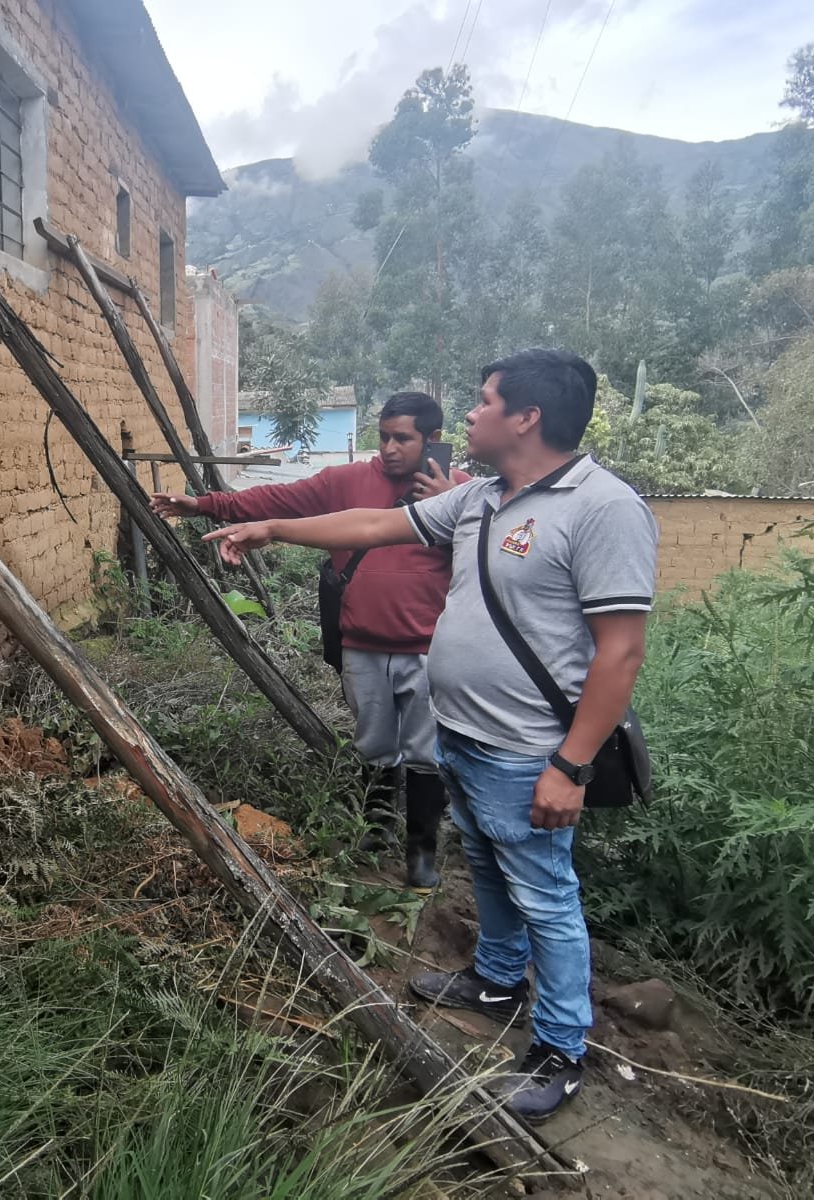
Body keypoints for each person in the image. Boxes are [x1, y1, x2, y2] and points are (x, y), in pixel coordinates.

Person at [201, 349, 657, 1123]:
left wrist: (569, 767)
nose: (469, 415)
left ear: (526, 417)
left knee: (546, 896)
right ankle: (496, 977)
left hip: (529, 751)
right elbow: (376, 523)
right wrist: (268, 523)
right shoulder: (480, 497)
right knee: (482, 863)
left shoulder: (601, 507)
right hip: (465, 734)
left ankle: (559, 1049)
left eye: (482, 401)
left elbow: (619, 651)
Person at [151, 392, 466, 891]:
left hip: (430, 648)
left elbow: (494, 553)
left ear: (433, 440)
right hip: (362, 641)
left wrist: (450, 508)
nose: (388, 448)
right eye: (383, 436)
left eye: (402, 439)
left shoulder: (461, 493)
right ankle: (375, 831)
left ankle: (422, 851)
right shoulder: (347, 482)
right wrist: (201, 506)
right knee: (376, 745)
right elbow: (276, 500)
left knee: (426, 752)